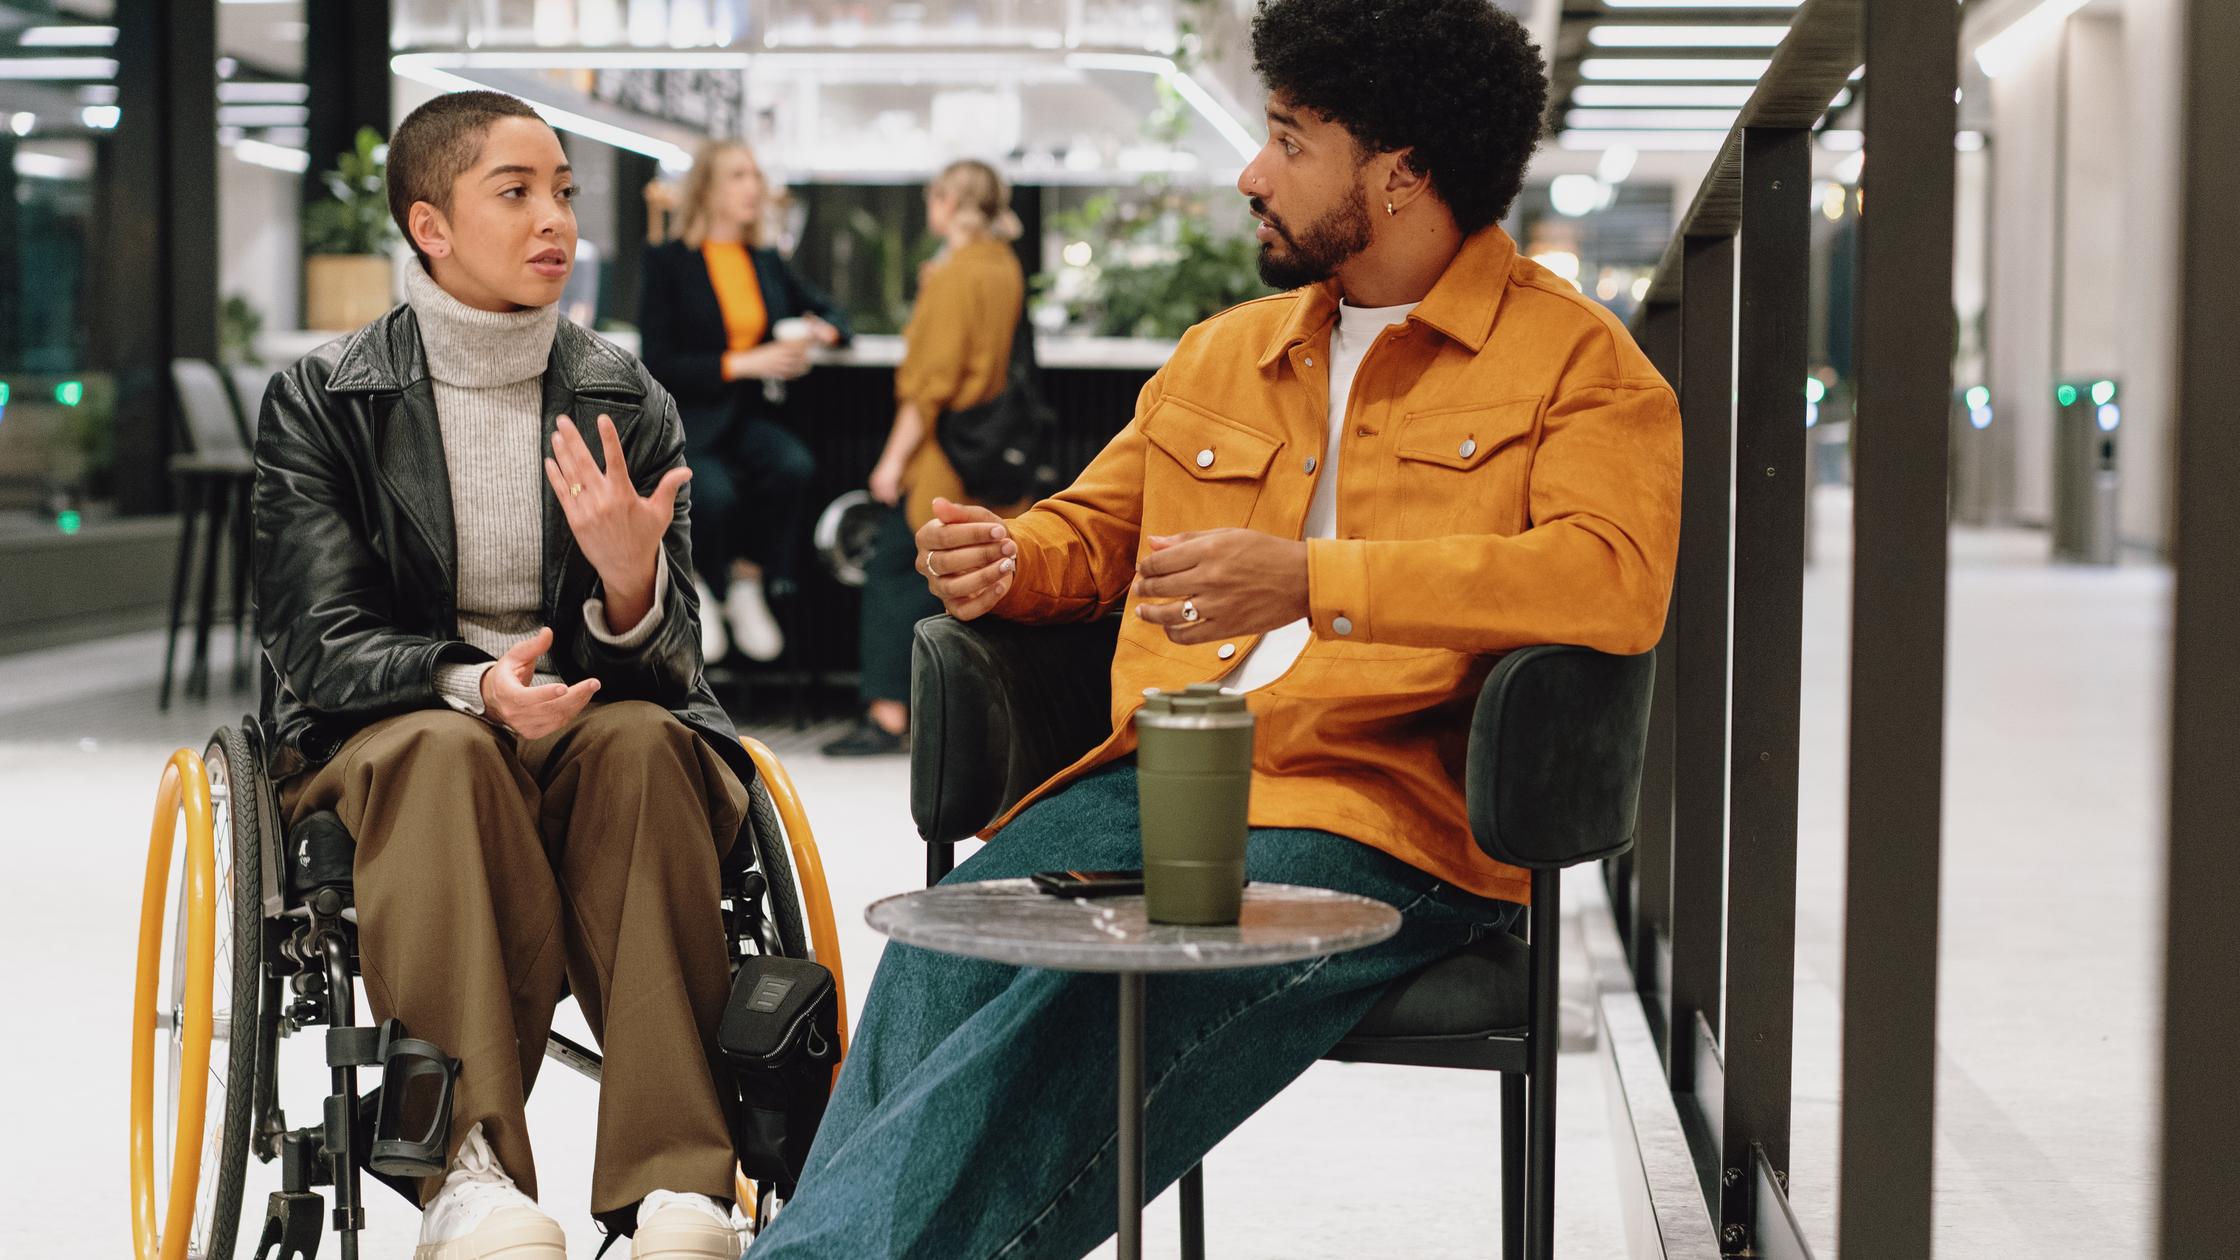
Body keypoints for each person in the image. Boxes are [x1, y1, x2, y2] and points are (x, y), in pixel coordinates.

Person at [747, 0, 1679, 1255]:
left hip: (1383, 810)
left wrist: (1314, 580)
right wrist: (1004, 559)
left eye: (1289, 142)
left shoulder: (1581, 367)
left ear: (1398, 176)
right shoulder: (1222, 356)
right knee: (941, 958)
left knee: (1084, 1009)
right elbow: (1095, 536)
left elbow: (1606, 577)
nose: (1252, 173)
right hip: (1165, 778)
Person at [255, 91, 752, 1260]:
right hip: (394, 731)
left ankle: (675, 1185)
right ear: (430, 225)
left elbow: (673, 661)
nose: (556, 223)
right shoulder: (327, 403)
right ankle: (465, 1177)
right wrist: (470, 684)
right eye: (516, 192)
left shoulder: (627, 400)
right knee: (449, 753)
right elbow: (314, 639)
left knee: (643, 746)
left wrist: (630, 589)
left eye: (565, 193)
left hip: (589, 721)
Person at [820, 158, 1027, 757]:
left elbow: (928, 386)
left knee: (893, 572)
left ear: (947, 203)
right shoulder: (1001, 266)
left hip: (942, 455)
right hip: (987, 451)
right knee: (973, 579)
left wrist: (889, 464)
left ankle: (887, 715)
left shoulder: (956, 275)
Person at [640, 139, 851, 667]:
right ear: (707, 189)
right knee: (713, 496)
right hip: (691, 419)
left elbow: (831, 312)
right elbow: (659, 360)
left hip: (750, 416)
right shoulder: (669, 262)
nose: (753, 187)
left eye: (755, 175)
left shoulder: (765, 260)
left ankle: (748, 580)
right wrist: (746, 363)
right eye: (737, 176)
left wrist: (821, 331)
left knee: (793, 467)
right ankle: (704, 589)